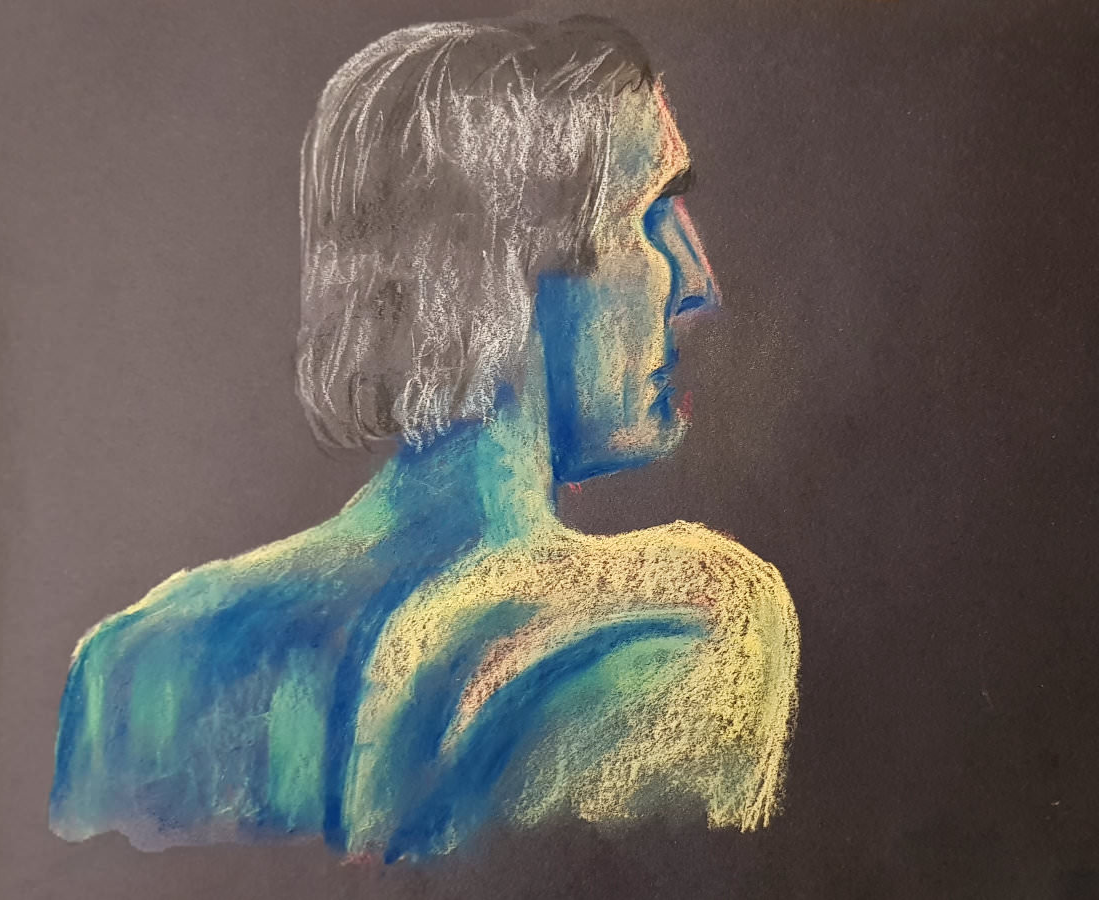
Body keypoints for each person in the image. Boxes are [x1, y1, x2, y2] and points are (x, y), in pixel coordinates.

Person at [49, 16, 799, 862]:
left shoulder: (133, 664)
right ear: (510, 257)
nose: (697, 283)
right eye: (651, 213)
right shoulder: (685, 624)